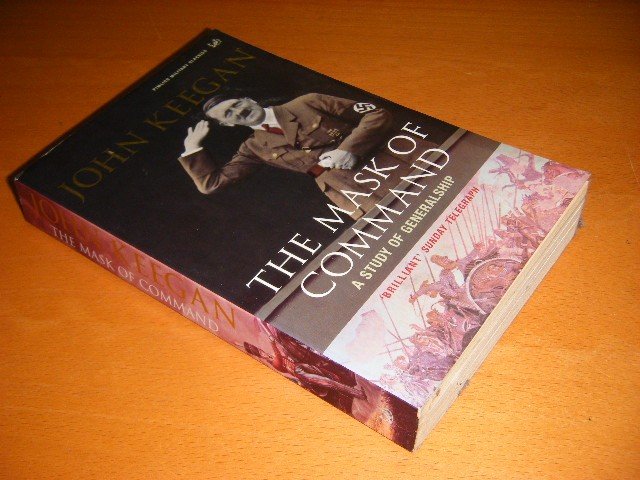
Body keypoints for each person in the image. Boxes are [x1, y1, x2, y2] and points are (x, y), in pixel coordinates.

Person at [178, 93, 394, 195]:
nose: (239, 111)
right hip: (350, 192)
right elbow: (211, 184)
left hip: (386, 162)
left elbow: (376, 114)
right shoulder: (254, 147)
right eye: (229, 113)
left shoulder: (307, 102)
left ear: (249, 99)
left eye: (237, 103)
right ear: (228, 124)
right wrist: (192, 148)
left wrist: (348, 149)